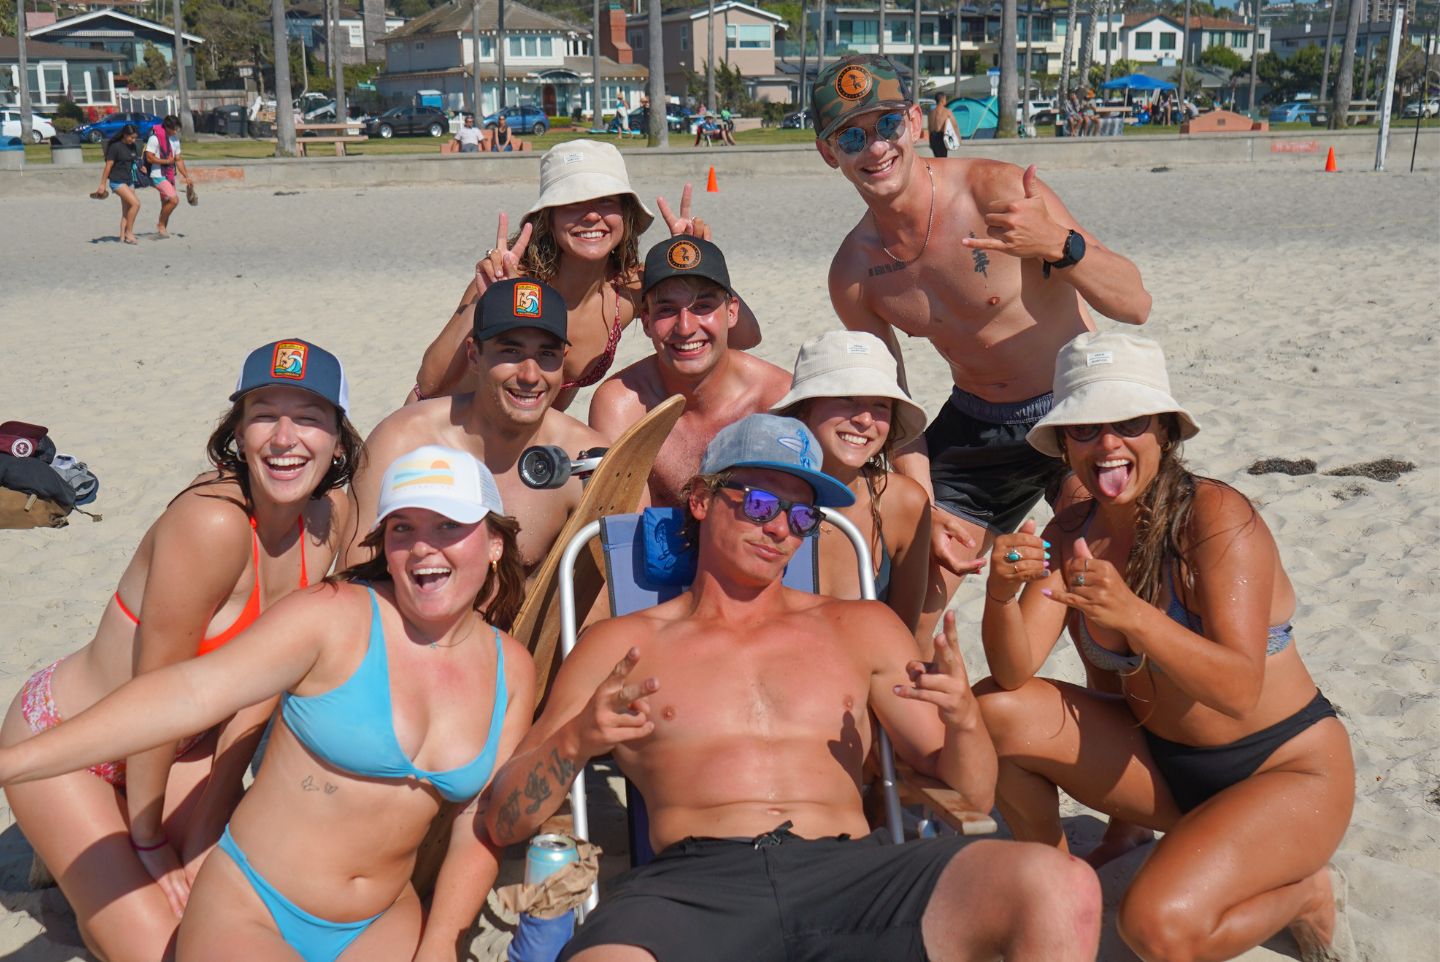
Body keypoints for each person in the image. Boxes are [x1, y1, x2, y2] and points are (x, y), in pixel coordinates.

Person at [485, 413, 1102, 962]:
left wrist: (965, 720)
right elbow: (505, 819)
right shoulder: (620, 646)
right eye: (757, 503)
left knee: (1060, 885)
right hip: (693, 889)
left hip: (852, 875)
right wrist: (575, 741)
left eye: (802, 515)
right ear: (701, 499)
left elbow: (969, 795)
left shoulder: (859, 628)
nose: (779, 527)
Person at [0, 445, 535, 962]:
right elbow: (188, 692)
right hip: (255, 907)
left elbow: (476, 818)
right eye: (403, 529)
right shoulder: (333, 617)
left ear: (493, 543)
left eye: (449, 525)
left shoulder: (511, 669)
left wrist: (442, 943)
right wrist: (14, 763)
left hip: (381, 922)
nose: (423, 547)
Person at [973, 331, 1356, 962]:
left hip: (1283, 770)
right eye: (1086, 429)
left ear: (1166, 432)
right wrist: (1000, 594)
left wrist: (1132, 614)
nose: (1108, 444)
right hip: (1164, 765)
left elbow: (1238, 690)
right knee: (994, 711)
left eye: (1129, 421)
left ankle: (1302, 894)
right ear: (1064, 444)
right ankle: (1055, 884)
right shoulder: (1074, 530)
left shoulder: (1217, 518)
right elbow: (1014, 675)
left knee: (1155, 929)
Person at [0, 338, 362, 961]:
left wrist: (200, 838)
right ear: (237, 433)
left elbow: (255, 706)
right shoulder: (212, 523)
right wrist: (150, 844)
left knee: (230, 910)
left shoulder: (332, 520)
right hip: (72, 742)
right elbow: (154, 694)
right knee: (158, 948)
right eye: (263, 414)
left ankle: (89, 872)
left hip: (183, 747)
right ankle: (91, 859)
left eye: (308, 417)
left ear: (338, 438)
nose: (284, 438)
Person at [812, 54, 1151, 646]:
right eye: (852, 136)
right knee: (916, 595)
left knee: (1099, 578)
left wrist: (1059, 245)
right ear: (829, 153)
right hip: (979, 422)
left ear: (916, 122)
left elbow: (1134, 303)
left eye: (887, 125)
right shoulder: (854, 273)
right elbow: (895, 406)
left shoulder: (995, 191)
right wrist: (921, 502)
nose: (875, 148)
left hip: (1078, 409)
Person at [412, 140, 760, 410]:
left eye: (607, 202)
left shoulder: (629, 290)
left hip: (523, 440)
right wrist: (484, 303)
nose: (592, 216)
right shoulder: (514, 282)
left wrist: (696, 264)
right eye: (574, 203)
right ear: (549, 217)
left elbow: (746, 335)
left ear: (625, 216)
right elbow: (429, 385)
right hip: (443, 428)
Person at [351, 278, 606, 575]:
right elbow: (356, 579)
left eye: (546, 355)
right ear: (474, 356)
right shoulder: (402, 441)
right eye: (510, 352)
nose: (529, 375)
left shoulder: (586, 458)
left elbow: (602, 596)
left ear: (563, 361)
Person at [589, 235, 791, 508]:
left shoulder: (778, 399)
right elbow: (624, 531)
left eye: (702, 307)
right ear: (646, 321)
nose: (685, 327)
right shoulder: (622, 406)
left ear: (731, 313)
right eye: (667, 310)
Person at [771, 330, 931, 631]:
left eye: (880, 405)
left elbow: (904, 636)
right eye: (846, 398)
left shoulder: (904, 504)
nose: (865, 420)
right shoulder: (761, 502)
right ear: (804, 408)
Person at [144, 115, 193, 238]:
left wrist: (186, 176)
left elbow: (178, 159)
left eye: (177, 129)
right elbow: (149, 157)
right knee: (174, 199)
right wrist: (166, 161)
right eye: (174, 129)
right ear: (166, 127)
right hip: (157, 175)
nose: (176, 131)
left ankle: (162, 230)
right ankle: (160, 225)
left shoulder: (175, 139)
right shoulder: (154, 138)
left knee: (166, 203)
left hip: (169, 175)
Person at [96, 123, 143, 244]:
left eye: (135, 138)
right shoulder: (115, 147)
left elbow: (132, 161)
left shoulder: (132, 146)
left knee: (127, 210)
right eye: (131, 137)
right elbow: (108, 166)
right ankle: (129, 232)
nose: (133, 140)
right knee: (136, 204)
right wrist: (102, 184)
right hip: (117, 181)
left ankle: (122, 237)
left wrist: (140, 167)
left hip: (129, 181)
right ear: (124, 135)